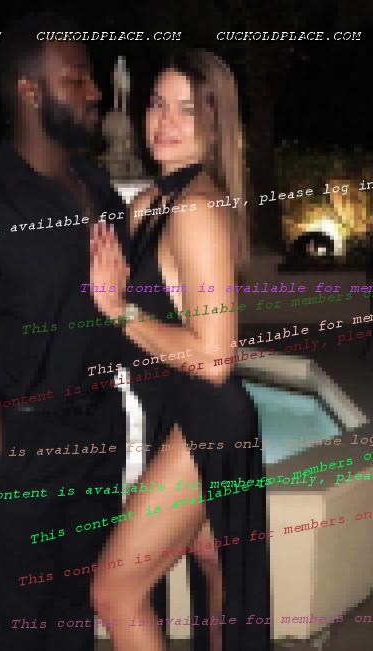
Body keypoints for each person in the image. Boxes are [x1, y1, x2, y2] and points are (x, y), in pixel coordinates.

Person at [0, 13, 127, 650]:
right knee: (21, 617)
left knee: (78, 611)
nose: (95, 91)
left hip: (100, 432)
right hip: (26, 445)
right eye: (77, 78)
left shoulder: (102, 193)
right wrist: (3, 459)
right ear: (30, 91)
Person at [89, 49, 270, 650]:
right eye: (157, 103)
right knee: (217, 572)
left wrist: (119, 310)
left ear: (215, 125)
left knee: (114, 594)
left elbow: (215, 358)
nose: (164, 121)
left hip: (203, 422)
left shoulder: (197, 209)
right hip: (174, 414)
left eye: (187, 110)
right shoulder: (151, 202)